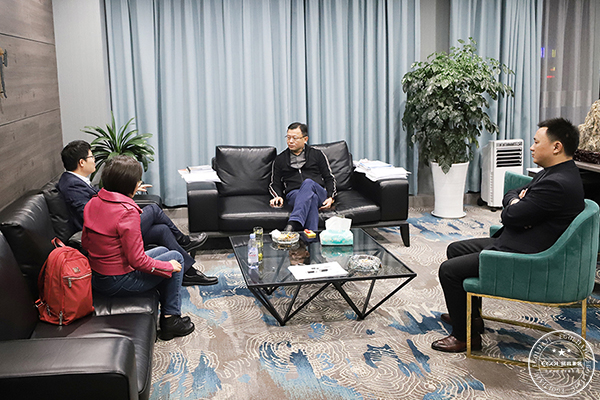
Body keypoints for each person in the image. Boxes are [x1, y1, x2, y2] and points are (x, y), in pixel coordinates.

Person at [432, 117, 585, 353]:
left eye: (536, 142)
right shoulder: (555, 172)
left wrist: (515, 204)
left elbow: (511, 215)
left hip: (527, 254)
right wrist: (516, 201)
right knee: (455, 249)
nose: (532, 147)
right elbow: (513, 194)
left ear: (557, 147)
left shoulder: (558, 183)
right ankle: (471, 318)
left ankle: (465, 337)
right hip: (519, 239)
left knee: (449, 271)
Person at [58, 140, 217, 286]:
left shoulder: (76, 181)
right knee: (153, 210)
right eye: (91, 156)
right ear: (81, 162)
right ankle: (183, 241)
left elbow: (101, 200)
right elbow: (91, 213)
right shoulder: (72, 185)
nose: (94, 160)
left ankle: (188, 272)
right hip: (107, 234)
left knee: (162, 230)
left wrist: (128, 188)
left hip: (110, 228)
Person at [82, 155, 194, 340]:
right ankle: (171, 320)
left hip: (98, 276)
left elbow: (86, 242)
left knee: (165, 252)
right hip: (117, 281)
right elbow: (137, 261)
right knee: (176, 259)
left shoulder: (94, 202)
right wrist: (167, 266)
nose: (139, 183)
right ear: (129, 185)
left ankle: (169, 312)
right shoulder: (127, 211)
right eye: (138, 180)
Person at [269, 122, 336, 231]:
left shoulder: (317, 154)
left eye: (295, 138)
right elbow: (274, 183)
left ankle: (294, 221)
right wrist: (277, 196)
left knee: (308, 183)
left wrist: (331, 197)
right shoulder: (280, 159)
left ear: (305, 139)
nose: (290, 141)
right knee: (311, 198)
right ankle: (310, 237)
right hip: (294, 195)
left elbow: (329, 178)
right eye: (288, 137)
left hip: (318, 192)